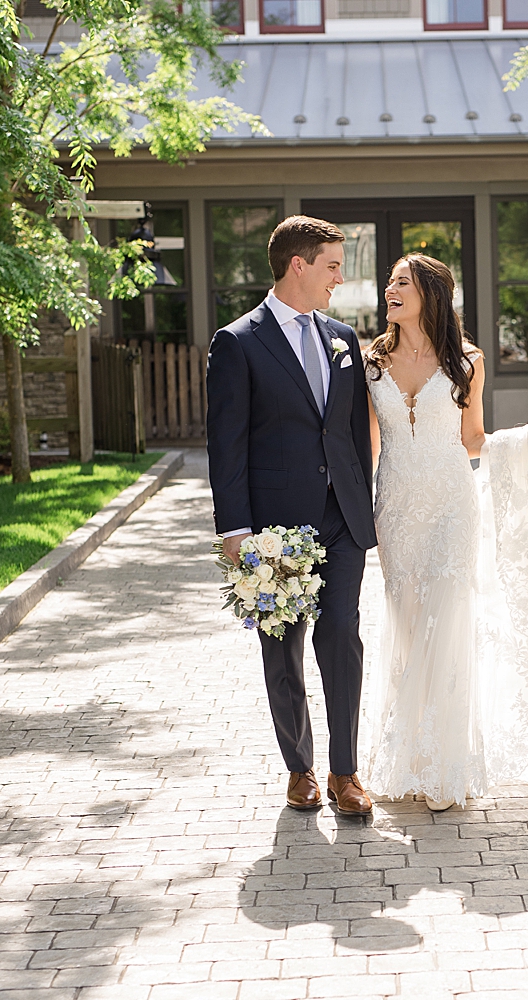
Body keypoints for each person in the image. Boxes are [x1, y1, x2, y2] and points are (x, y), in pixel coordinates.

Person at [364, 253, 528, 811]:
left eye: (402, 282)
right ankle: (410, 759)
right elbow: (370, 445)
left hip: (453, 504)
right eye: (390, 282)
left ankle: (447, 768)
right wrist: (363, 509)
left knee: (447, 618)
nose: (391, 289)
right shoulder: (371, 362)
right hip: (398, 506)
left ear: (430, 292)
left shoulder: (467, 362)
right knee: (406, 624)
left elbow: (472, 439)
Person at [206, 216, 377, 816]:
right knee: (283, 647)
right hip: (275, 527)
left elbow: (354, 430)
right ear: (298, 265)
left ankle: (346, 772)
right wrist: (235, 530)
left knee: (342, 640)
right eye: (332, 265)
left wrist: (364, 502)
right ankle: (299, 768)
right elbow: (226, 443)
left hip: (341, 519)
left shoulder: (342, 336)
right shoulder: (238, 342)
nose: (340, 277)